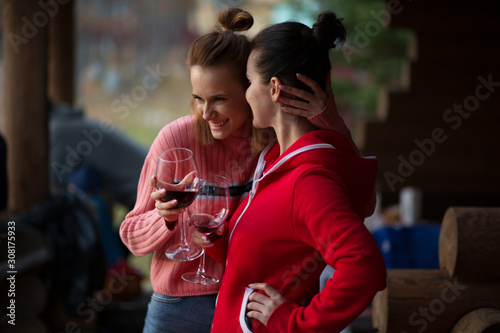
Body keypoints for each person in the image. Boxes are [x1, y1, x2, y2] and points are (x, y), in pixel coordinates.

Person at [119, 8, 361, 333]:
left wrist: (327, 117)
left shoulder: (276, 146)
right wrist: (164, 218)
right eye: (198, 99)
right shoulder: (176, 139)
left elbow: (356, 198)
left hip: (245, 305)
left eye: (219, 99)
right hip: (177, 306)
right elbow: (132, 235)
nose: (207, 113)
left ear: (250, 89)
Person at [198, 10, 387, 332]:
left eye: (248, 82)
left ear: (273, 88)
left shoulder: (308, 181)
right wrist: (216, 238)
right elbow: (276, 249)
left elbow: (364, 267)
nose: (245, 93)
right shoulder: (276, 160)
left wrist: (294, 322)